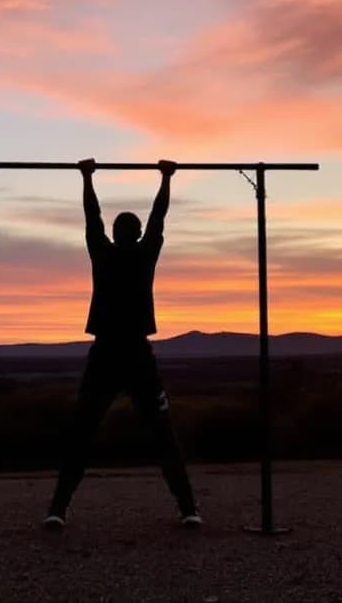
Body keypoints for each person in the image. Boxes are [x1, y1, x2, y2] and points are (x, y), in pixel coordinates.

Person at [43, 158, 201, 529]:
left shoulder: (104, 252)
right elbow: (158, 218)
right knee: (162, 434)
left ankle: (57, 509)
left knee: (82, 434)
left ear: (115, 234)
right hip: (134, 352)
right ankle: (188, 508)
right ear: (137, 232)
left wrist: (86, 178)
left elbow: (92, 217)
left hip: (107, 352)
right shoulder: (145, 254)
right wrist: (165, 179)